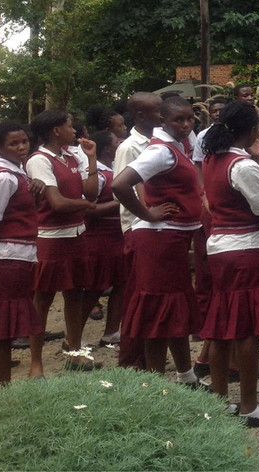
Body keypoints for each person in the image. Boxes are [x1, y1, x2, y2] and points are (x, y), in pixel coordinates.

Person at [200, 100, 259, 426]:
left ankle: (222, 401)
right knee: (248, 328)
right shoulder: (244, 165)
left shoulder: (212, 159)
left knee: (223, 325)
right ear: (252, 131)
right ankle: (249, 405)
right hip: (246, 249)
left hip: (220, 247)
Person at [111, 96, 204, 386]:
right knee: (158, 314)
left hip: (171, 238)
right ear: (163, 121)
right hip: (158, 238)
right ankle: (157, 387)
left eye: (189, 119)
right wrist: (147, 214)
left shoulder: (178, 146)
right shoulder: (161, 151)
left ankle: (186, 377)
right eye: (179, 120)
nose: (186, 124)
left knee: (172, 310)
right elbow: (119, 184)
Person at [26, 110, 98, 373]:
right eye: (69, 125)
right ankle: (36, 362)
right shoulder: (39, 160)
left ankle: (75, 353)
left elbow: (91, 190)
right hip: (52, 239)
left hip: (76, 235)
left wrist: (91, 159)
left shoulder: (71, 155)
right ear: (56, 130)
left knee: (75, 296)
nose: (75, 130)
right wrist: (85, 204)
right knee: (42, 300)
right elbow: (56, 203)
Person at [113, 92, 163, 371]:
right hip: (138, 228)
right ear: (142, 115)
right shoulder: (130, 147)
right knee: (137, 296)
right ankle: (131, 360)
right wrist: (147, 214)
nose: (161, 115)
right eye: (157, 111)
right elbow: (124, 188)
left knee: (152, 296)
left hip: (155, 228)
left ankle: (148, 356)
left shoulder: (158, 141)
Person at [0, 121, 42, 385]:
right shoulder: (3, 177)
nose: (22, 147)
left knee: (3, 329)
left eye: (24, 141)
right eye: (14, 143)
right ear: (0, 147)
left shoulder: (17, 172)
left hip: (17, 257)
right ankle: (1, 390)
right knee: (1, 330)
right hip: (6, 259)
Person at [82, 130, 128, 350]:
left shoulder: (114, 170)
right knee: (93, 287)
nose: (121, 143)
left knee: (121, 283)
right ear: (108, 148)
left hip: (116, 237)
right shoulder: (97, 175)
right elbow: (87, 209)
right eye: (116, 142)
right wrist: (120, 203)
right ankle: (75, 335)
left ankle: (112, 332)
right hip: (98, 238)